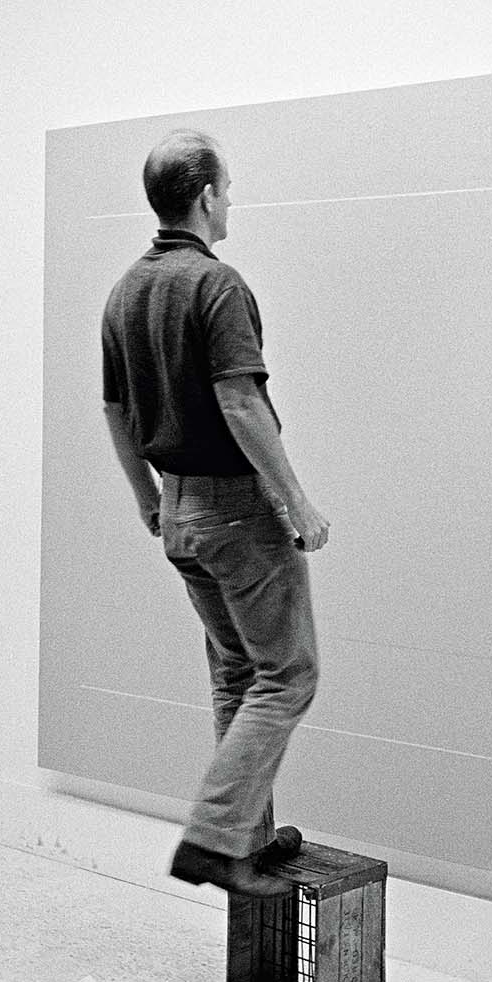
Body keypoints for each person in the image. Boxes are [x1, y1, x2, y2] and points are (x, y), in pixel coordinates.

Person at [101, 129, 330, 897]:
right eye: (226, 190)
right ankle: (214, 834)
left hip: (180, 514)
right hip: (235, 512)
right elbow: (240, 398)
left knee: (239, 670)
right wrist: (295, 502)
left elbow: (115, 408)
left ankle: (248, 841)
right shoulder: (217, 285)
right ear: (204, 197)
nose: (231, 203)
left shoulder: (126, 290)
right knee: (289, 674)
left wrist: (148, 498)